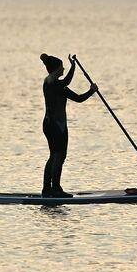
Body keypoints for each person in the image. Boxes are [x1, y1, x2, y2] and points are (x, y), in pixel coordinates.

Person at [40, 53, 97, 197]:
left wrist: (73, 67)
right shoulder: (57, 85)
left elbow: (68, 84)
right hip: (56, 126)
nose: (63, 69)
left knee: (53, 155)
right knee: (59, 156)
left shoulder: (49, 83)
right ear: (56, 70)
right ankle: (56, 189)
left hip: (49, 124)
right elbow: (78, 98)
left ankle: (47, 189)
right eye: (62, 68)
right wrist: (91, 91)